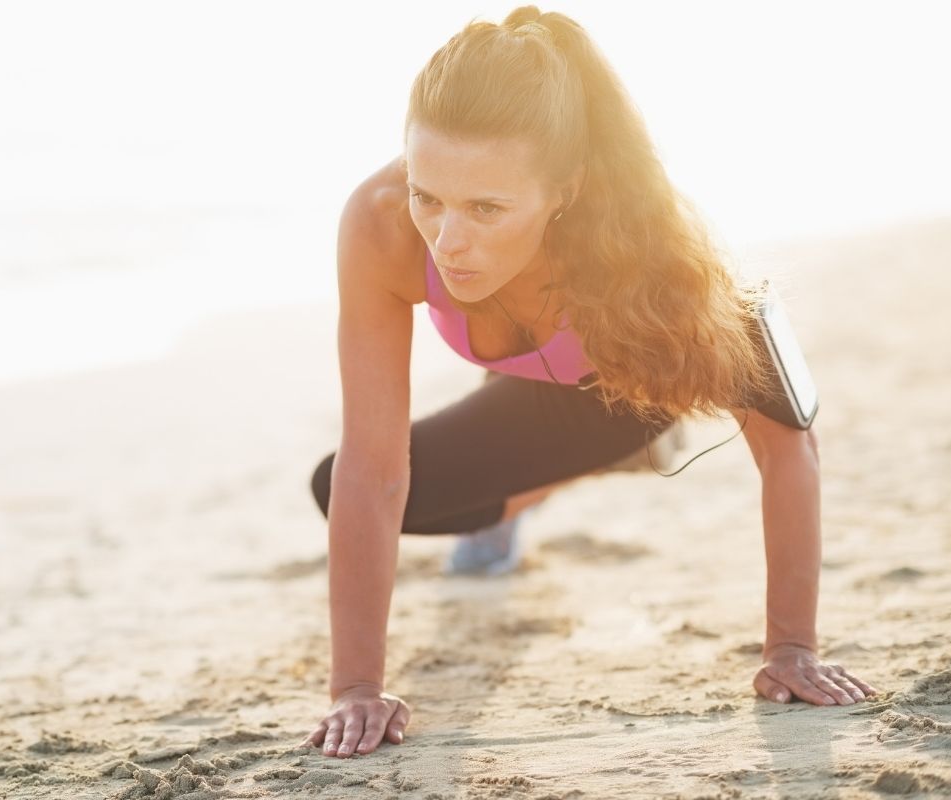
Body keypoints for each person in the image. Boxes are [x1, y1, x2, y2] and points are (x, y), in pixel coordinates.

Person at [301, 6, 877, 759]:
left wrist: (791, 648)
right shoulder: (379, 225)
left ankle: (633, 444)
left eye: (486, 209)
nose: (446, 240)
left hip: (636, 385)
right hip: (527, 390)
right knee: (339, 487)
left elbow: (788, 446)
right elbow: (374, 470)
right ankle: (538, 494)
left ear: (564, 192)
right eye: (427, 194)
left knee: (631, 408)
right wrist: (356, 687)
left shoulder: (659, 255)